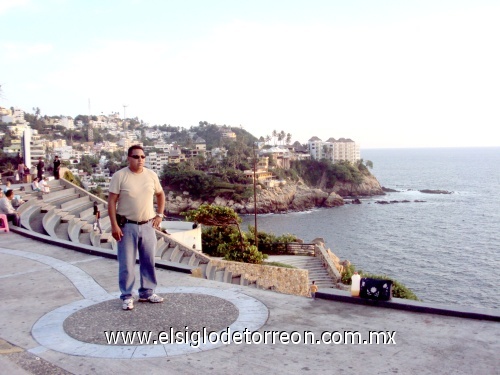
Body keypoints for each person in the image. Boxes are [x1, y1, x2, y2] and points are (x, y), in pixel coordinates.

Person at [108, 144, 166, 311]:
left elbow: (160, 194)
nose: (140, 159)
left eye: (142, 156)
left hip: (148, 225)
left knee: (149, 261)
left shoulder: (151, 175)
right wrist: (114, 226)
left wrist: (159, 215)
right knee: (127, 264)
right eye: (136, 156)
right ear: (128, 158)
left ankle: (147, 292)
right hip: (126, 226)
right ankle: (126, 296)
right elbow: (111, 202)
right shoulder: (120, 176)